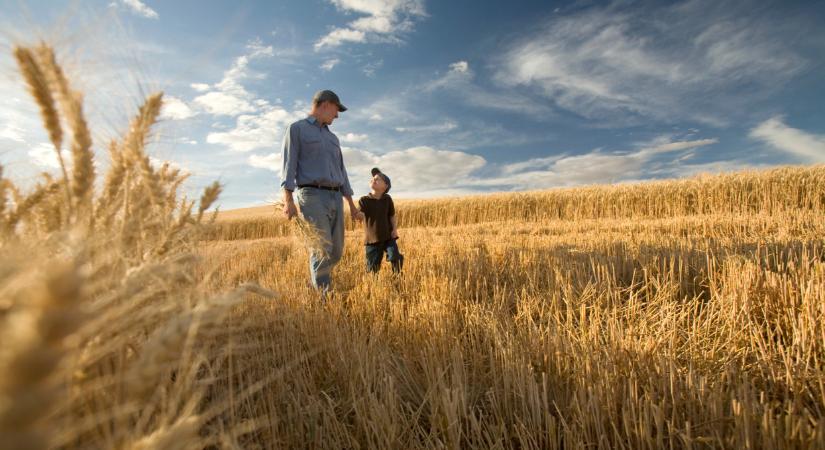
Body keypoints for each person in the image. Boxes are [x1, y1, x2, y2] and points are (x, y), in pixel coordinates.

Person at [280, 89, 363, 291]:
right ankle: (324, 296)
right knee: (321, 248)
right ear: (325, 104)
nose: (337, 115)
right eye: (336, 110)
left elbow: (342, 172)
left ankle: (316, 282)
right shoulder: (296, 129)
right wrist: (288, 200)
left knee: (336, 251)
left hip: (336, 196)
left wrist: (352, 206)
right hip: (312, 195)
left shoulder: (333, 138)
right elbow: (288, 165)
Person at [358, 167, 403, 274]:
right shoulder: (364, 200)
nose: (374, 179)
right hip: (372, 239)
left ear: (385, 186)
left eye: (378, 179)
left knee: (395, 256)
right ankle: (374, 281)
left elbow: (391, 215)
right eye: (373, 178)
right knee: (372, 269)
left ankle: (396, 277)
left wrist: (394, 229)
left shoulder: (387, 199)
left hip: (388, 236)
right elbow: (361, 214)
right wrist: (357, 215)